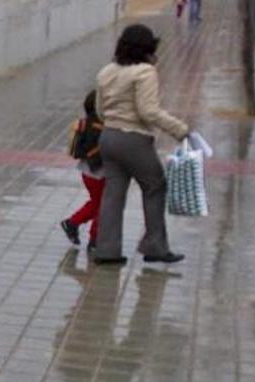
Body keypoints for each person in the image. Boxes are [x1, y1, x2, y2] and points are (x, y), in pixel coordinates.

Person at [93, 24, 189, 266]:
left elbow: (99, 110)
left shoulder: (106, 71)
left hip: (108, 137)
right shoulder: (145, 72)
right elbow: (148, 112)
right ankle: (154, 246)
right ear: (147, 48)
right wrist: (180, 129)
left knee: (112, 195)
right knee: (155, 186)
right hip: (133, 139)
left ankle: (106, 250)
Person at [60, 89, 106, 253]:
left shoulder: (88, 122)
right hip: (99, 172)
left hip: (87, 172)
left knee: (97, 202)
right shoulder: (100, 127)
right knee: (104, 205)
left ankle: (73, 223)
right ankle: (95, 239)